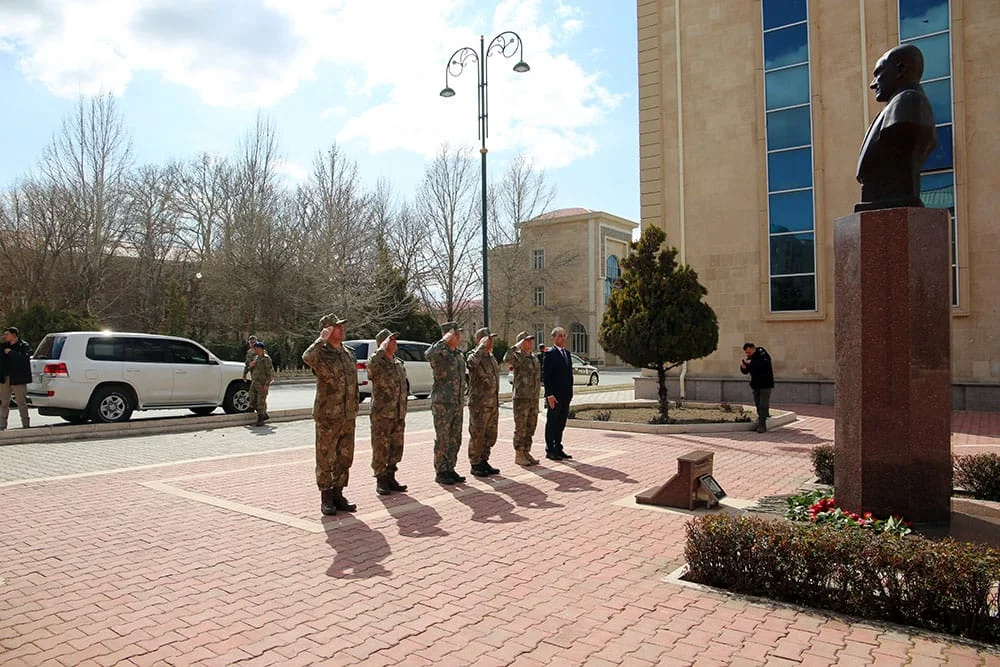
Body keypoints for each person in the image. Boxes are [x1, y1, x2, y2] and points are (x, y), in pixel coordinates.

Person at [855, 44, 936, 212]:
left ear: (900, 69)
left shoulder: (909, 103)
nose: (873, 84)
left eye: (879, 74)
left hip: (897, 196)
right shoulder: (893, 107)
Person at [302, 314, 359, 515]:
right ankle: (326, 497)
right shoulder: (320, 353)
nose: (341, 329)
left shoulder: (349, 353)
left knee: (345, 457)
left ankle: (338, 493)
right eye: (337, 327)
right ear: (327, 330)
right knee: (326, 457)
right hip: (328, 415)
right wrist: (321, 339)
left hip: (348, 414)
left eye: (342, 326)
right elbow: (306, 357)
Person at [426, 322, 467, 485]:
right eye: (455, 334)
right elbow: (428, 354)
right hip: (443, 402)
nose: (458, 337)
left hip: (457, 402)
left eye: (458, 334)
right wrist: (444, 340)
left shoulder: (458, 354)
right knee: (443, 438)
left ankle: (450, 468)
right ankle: (441, 471)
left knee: (455, 437)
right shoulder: (439, 352)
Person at [368, 328, 408, 495]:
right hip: (382, 414)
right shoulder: (378, 362)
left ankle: (391, 476)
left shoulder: (398, 363)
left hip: (398, 413)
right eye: (390, 340)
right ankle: (381, 479)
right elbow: (370, 367)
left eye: (394, 340)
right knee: (381, 447)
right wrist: (381, 349)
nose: (394, 342)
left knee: (396, 447)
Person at [466, 327, 500, 477]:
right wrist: (481, 347)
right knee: (477, 434)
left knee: (490, 435)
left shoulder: (491, 357)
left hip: (492, 403)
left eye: (491, 339)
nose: (491, 342)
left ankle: (484, 460)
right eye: (488, 339)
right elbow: (471, 363)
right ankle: (475, 463)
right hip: (479, 404)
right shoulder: (474, 355)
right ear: (480, 340)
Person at [504, 331, 541, 466]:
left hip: (533, 397)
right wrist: (516, 347)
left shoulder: (534, 357)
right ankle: (519, 454)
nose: (530, 342)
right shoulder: (517, 357)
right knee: (521, 427)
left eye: (531, 340)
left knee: (531, 426)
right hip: (521, 398)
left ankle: (526, 451)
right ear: (521, 343)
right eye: (527, 340)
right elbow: (506, 358)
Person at [542, 327, 574, 461]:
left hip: (565, 395)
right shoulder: (550, 353)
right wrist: (549, 395)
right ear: (553, 338)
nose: (563, 338)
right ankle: (550, 449)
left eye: (564, 335)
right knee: (552, 422)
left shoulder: (567, 354)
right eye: (560, 335)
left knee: (561, 423)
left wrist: (570, 393)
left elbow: (569, 375)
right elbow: (546, 376)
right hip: (554, 396)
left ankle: (558, 447)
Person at [0, 327, 32, 430]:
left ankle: (26, 425)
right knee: (3, 402)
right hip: (5, 378)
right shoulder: (3, 346)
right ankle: (2, 425)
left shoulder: (23, 346)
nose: (5, 336)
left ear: (14, 335)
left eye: (7, 334)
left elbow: (24, 359)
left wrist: (11, 352)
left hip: (18, 379)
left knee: (21, 402)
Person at [740, 342, 775, 433]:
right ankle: (764, 417)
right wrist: (744, 367)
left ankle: (762, 425)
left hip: (765, 384)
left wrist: (751, 363)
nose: (747, 354)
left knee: (763, 404)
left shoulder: (762, 353)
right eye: (746, 353)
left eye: (748, 352)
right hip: (756, 385)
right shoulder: (751, 358)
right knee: (758, 404)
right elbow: (746, 371)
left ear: (753, 348)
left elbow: (763, 364)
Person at [247, 341, 273, 426]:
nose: (254, 349)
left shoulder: (266, 359)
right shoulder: (256, 358)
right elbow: (252, 369)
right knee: (252, 398)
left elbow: (270, 373)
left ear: (260, 349)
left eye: (256, 348)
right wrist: (250, 366)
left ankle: (261, 419)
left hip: (262, 383)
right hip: (255, 382)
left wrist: (267, 384)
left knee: (260, 401)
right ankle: (264, 415)